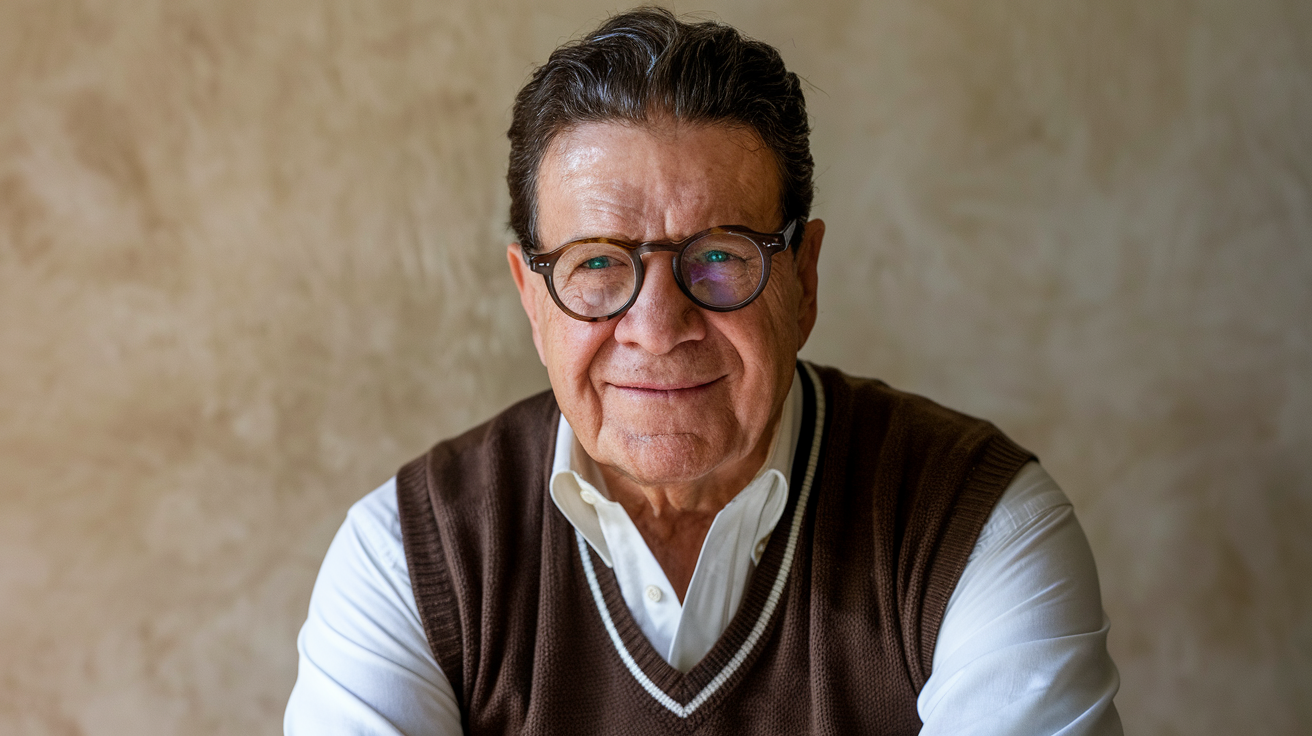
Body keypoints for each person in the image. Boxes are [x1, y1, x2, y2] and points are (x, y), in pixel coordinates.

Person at [284, 8, 1122, 735]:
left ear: (804, 278)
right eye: (598, 264)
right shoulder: (405, 558)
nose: (656, 328)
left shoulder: (976, 528)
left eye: (720, 256)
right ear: (532, 299)